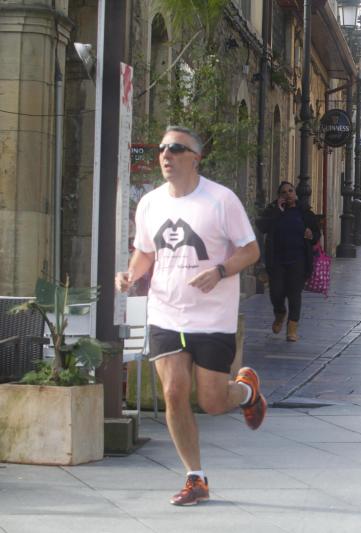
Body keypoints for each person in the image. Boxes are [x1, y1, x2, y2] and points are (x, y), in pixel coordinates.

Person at [115, 126, 265, 506]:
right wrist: (132, 274)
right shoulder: (150, 203)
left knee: (213, 402)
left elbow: (250, 251)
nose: (166, 154)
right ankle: (194, 477)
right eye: (163, 148)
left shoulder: (220, 200)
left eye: (176, 148)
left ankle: (246, 391)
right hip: (166, 312)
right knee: (174, 392)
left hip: (213, 317)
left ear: (195, 158)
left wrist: (219, 272)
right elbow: (146, 251)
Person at [255, 181, 321, 342]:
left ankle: (292, 328)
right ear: (279, 195)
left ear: (295, 193)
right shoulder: (273, 210)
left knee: (294, 294)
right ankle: (279, 313)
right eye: (284, 192)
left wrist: (311, 235)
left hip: (298, 260)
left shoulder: (304, 212)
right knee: (276, 292)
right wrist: (278, 209)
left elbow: (316, 233)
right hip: (276, 260)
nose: (288, 194)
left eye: (290, 191)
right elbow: (262, 226)